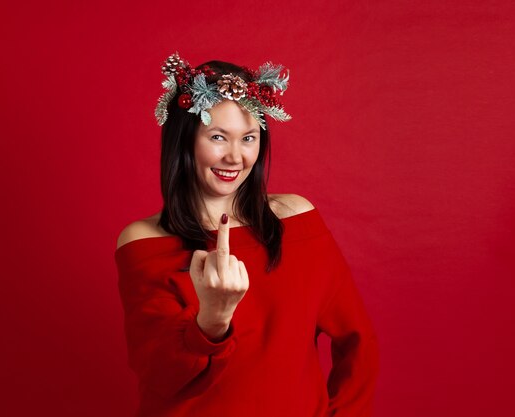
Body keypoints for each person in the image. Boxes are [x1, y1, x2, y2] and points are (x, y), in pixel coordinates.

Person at [114, 52, 380, 417]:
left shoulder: (297, 221)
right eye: (219, 137)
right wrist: (212, 319)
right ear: (184, 140)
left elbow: (358, 343)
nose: (235, 157)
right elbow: (159, 375)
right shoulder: (143, 242)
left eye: (249, 138)